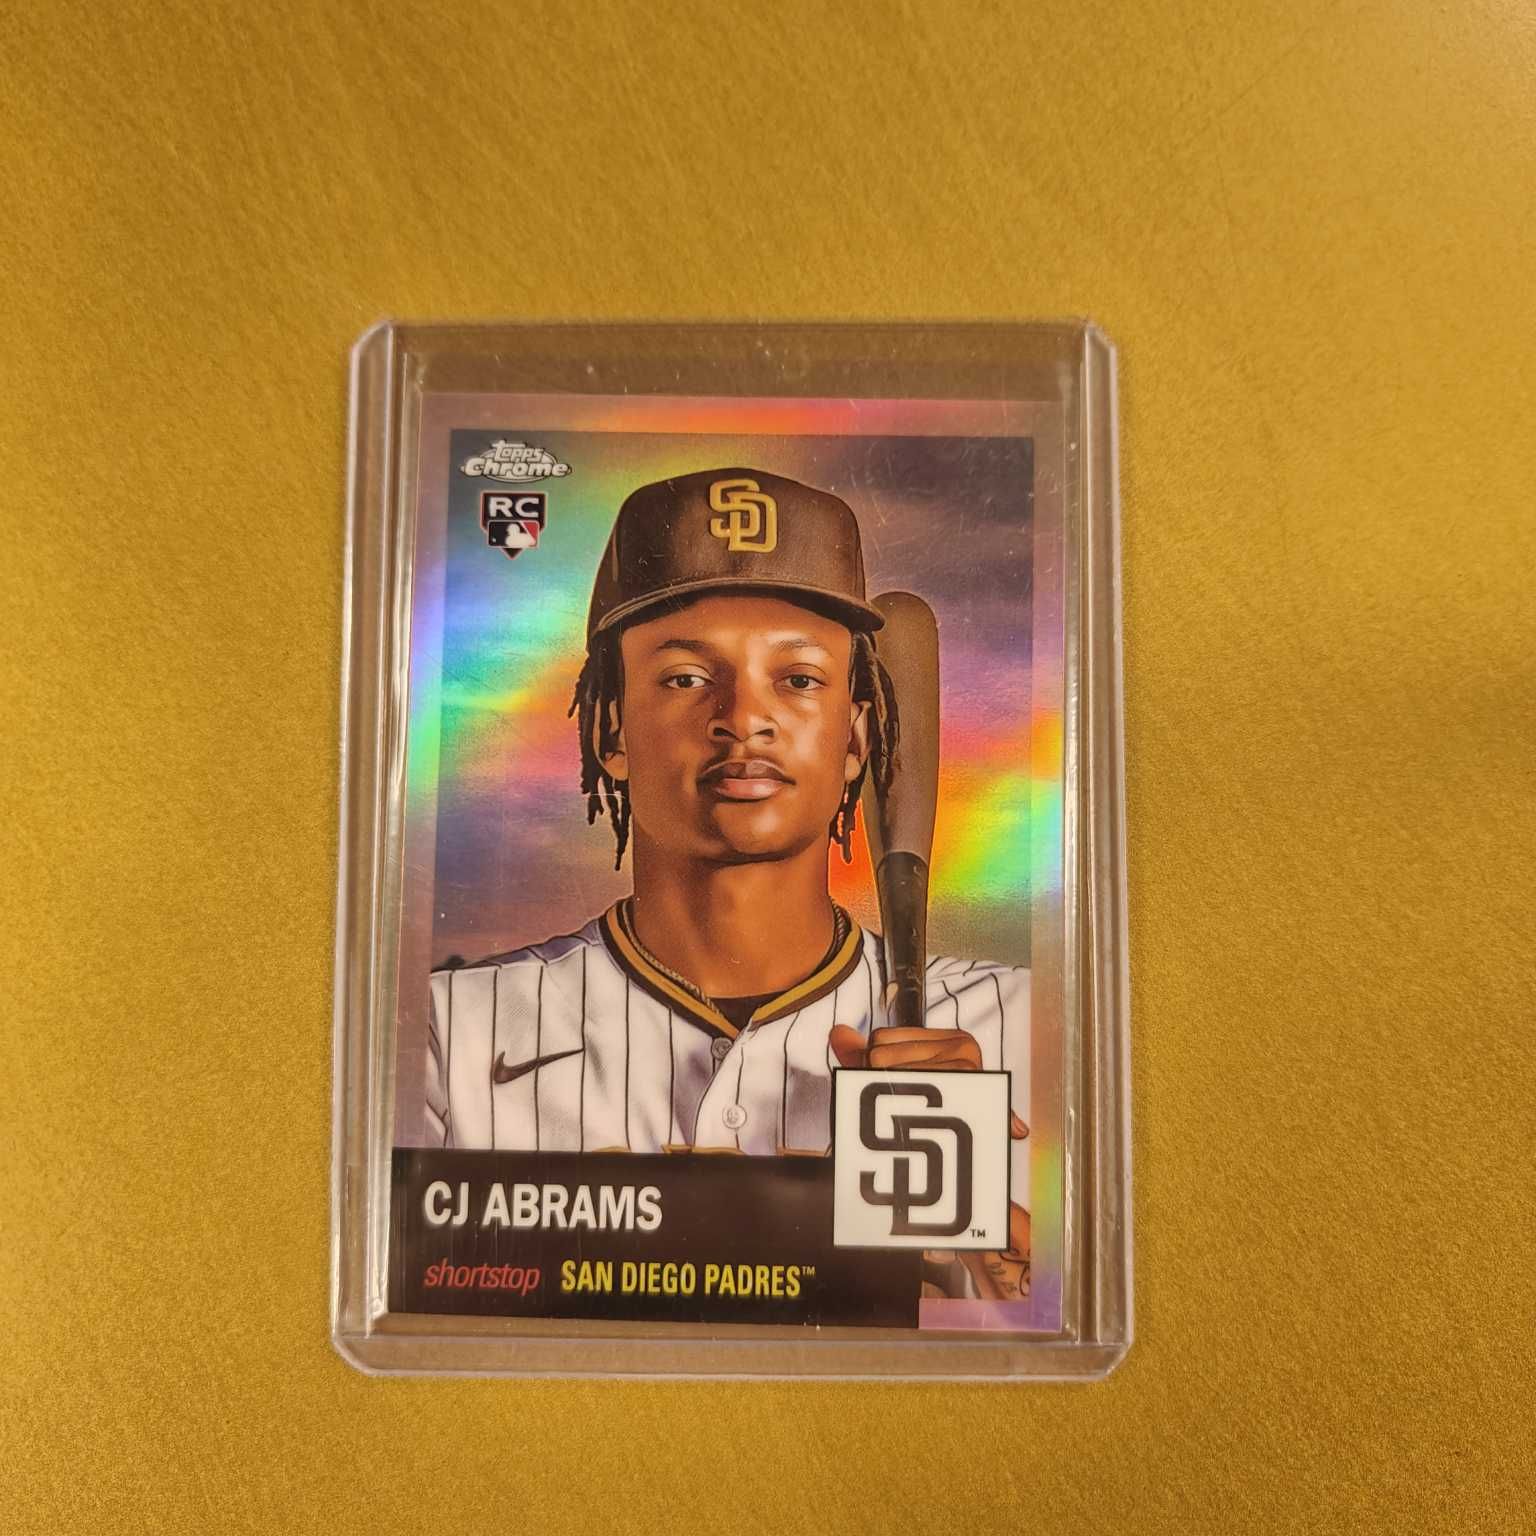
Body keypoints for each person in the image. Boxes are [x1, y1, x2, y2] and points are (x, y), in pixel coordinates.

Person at [426, 468, 1030, 1296]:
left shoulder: (1015, 1028)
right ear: (610, 732)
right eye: (685, 677)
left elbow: (1055, 1317)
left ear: (857, 741)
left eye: (799, 678)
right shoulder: (450, 1033)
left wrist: (1001, 1280)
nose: (744, 718)